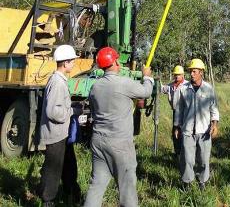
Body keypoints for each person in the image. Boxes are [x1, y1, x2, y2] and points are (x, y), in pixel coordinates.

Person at [83, 47, 154, 207]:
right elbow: (146, 92)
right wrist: (147, 77)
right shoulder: (124, 83)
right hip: (120, 143)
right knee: (127, 186)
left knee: (97, 185)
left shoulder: (95, 87)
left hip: (98, 141)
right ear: (115, 62)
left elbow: (93, 111)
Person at [39, 44, 83, 207]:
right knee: (53, 169)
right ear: (65, 63)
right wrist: (72, 111)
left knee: (68, 165)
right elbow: (53, 111)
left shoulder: (59, 80)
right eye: (72, 61)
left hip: (61, 133)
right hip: (55, 133)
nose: (73, 64)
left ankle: (71, 193)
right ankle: (47, 200)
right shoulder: (57, 83)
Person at [174, 58, 219, 190]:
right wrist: (176, 126)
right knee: (187, 159)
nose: (191, 74)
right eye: (190, 71)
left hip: (204, 130)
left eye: (194, 71)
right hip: (187, 130)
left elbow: (214, 108)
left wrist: (214, 124)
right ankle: (186, 183)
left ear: (201, 72)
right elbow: (179, 109)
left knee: (203, 159)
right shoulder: (183, 89)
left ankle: (202, 182)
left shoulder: (208, 89)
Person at [161, 65, 188, 157]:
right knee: (175, 132)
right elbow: (162, 89)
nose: (177, 76)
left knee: (185, 132)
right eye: (175, 74)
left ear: (183, 75)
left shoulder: (187, 85)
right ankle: (177, 153)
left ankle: (186, 153)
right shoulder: (171, 86)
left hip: (186, 113)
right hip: (175, 112)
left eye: (179, 75)